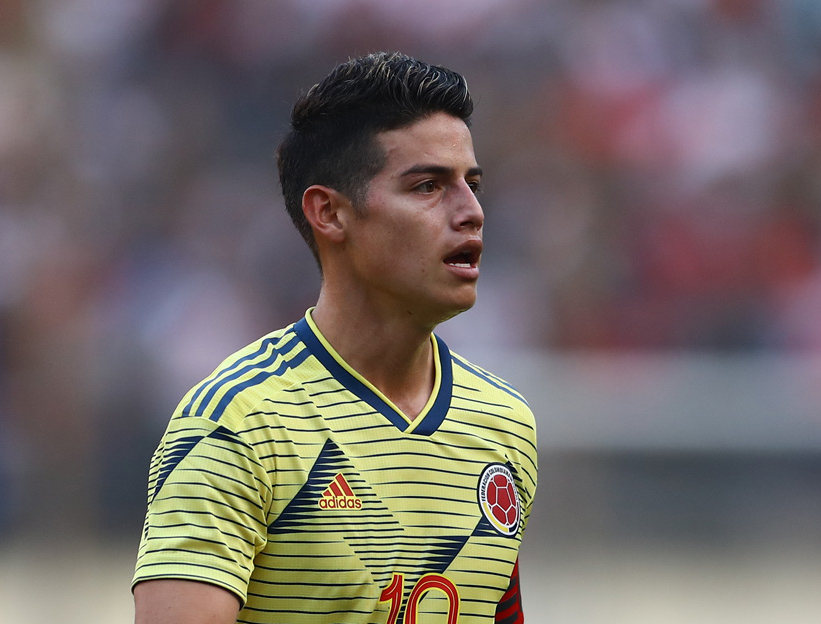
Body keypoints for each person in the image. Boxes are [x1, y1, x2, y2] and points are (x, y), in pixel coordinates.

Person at [132, 51, 538, 624]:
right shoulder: (238, 423)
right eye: (428, 186)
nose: (471, 212)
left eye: (472, 185)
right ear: (330, 213)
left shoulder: (503, 424)